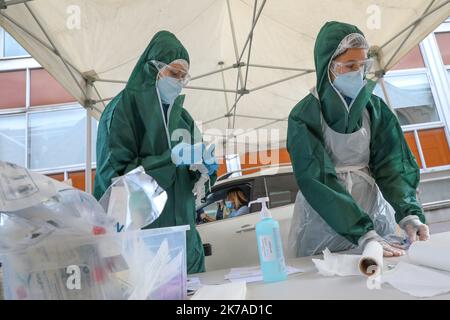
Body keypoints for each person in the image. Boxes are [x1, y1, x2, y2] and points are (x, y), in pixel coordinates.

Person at [287, 21, 430, 258]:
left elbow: (393, 165)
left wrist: (409, 213)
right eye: (350, 65)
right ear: (328, 67)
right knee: (325, 280)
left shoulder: (374, 109)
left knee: (377, 272)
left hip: (372, 210)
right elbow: (317, 179)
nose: (358, 73)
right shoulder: (304, 115)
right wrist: (363, 232)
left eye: (363, 65)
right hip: (323, 219)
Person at [93, 31, 218, 274]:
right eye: (174, 73)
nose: (179, 81)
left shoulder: (183, 118)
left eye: (183, 77)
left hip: (184, 242)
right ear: (153, 67)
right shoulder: (121, 111)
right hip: (140, 246)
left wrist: (205, 172)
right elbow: (115, 180)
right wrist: (169, 160)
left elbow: (194, 186)